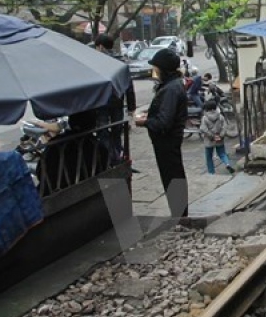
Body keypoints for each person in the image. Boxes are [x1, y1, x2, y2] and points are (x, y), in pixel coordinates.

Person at [134, 48, 189, 219]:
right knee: (173, 176)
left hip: (167, 141)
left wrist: (145, 121)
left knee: (172, 177)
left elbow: (164, 123)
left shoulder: (171, 89)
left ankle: (180, 216)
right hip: (167, 141)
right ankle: (180, 215)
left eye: (156, 68)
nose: (154, 71)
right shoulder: (171, 86)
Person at [95, 34, 136, 164]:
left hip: (102, 104)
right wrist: (131, 107)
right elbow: (129, 86)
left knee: (103, 132)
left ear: (100, 47)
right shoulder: (121, 62)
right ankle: (117, 156)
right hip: (117, 102)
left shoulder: (96, 62)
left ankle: (109, 159)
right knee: (117, 131)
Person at [199, 100, 235, 175]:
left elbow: (203, 129)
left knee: (209, 157)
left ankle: (211, 172)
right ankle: (227, 164)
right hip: (219, 139)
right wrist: (221, 135)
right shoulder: (220, 116)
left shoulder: (205, 118)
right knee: (222, 153)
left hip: (209, 140)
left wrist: (211, 136)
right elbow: (224, 127)